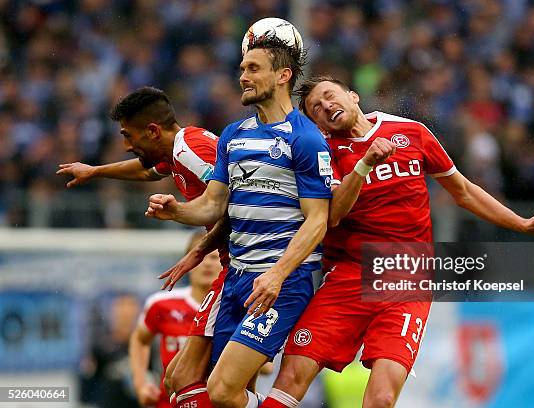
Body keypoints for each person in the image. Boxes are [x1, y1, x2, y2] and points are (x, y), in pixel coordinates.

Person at [258, 76, 534, 408]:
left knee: (381, 398)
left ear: (352, 96)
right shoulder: (322, 151)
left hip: (406, 277)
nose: (326, 108)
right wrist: (365, 165)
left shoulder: (411, 131)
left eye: (329, 97)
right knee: (292, 375)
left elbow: (463, 192)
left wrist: (521, 223)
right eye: (316, 109)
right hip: (349, 274)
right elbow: (332, 215)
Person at [145, 36, 332, 408]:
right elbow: (213, 205)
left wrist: (277, 274)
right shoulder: (233, 135)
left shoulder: (305, 139)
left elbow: (317, 222)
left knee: (223, 390)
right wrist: (176, 211)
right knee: (183, 380)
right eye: (242, 69)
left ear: (283, 75)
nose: (243, 76)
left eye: (253, 68)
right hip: (236, 278)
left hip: (281, 282)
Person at [57, 87, 232, 407]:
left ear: (153, 131)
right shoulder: (178, 151)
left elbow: (237, 202)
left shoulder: (190, 151)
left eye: (128, 135)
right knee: (185, 380)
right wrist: (95, 171)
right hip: (235, 265)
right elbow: (148, 170)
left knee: (193, 380)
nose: (126, 145)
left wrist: (197, 248)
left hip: (243, 267)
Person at [129, 231, 223, 408]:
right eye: (201, 256)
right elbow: (140, 340)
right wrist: (141, 383)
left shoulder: (234, 310)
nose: (207, 264)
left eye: (214, 257)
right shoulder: (161, 304)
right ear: (188, 262)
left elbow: (265, 368)